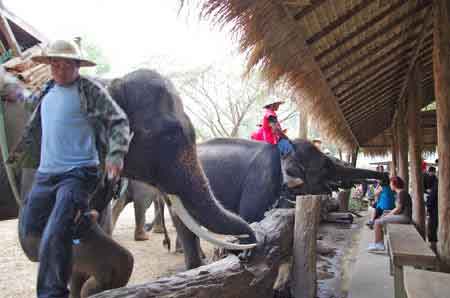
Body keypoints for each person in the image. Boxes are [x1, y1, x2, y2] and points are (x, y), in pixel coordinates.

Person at [3, 40, 131, 298]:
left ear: (77, 66)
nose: (59, 70)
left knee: (55, 234)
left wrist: (116, 155)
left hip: (78, 173)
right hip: (47, 174)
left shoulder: (89, 90)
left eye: (66, 65)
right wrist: (8, 86)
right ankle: (82, 221)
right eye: (55, 64)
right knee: (30, 228)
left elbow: (118, 122)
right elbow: (27, 101)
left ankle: (52, 293)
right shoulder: (48, 90)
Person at [258, 99, 303, 189]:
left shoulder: (270, 114)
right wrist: (287, 138)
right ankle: (287, 179)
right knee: (290, 150)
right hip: (272, 142)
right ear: (272, 105)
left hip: (273, 140)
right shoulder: (270, 114)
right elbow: (275, 129)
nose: (278, 106)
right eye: (277, 104)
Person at [368, 176, 412, 252]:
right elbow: (398, 209)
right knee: (383, 215)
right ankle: (379, 242)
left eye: (391, 183)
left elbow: (398, 209)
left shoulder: (401, 193)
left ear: (395, 184)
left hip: (405, 217)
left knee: (377, 222)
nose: (390, 185)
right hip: (403, 215)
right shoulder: (401, 193)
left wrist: (389, 214)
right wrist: (388, 213)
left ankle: (379, 244)